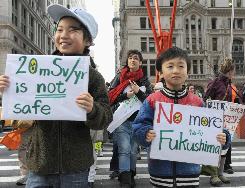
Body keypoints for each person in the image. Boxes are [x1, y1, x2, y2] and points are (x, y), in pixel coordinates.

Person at [0, 4, 113, 188]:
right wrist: (8, 90)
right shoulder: (36, 69)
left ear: (88, 41)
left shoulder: (93, 77)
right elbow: (21, 110)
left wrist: (93, 109)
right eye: (59, 29)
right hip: (39, 166)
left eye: (73, 30)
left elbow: (105, 118)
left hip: (76, 168)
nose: (64, 35)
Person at [132, 47, 231, 188]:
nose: (176, 70)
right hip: (160, 173)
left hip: (190, 174)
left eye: (181, 66)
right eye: (170, 66)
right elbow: (137, 127)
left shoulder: (197, 102)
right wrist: (145, 133)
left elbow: (213, 128)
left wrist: (223, 137)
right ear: (160, 72)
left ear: (187, 72)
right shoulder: (152, 100)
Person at [108, 49, 152, 187]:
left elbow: (149, 101)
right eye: (130, 58)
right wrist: (125, 96)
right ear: (127, 61)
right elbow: (110, 96)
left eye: (136, 58)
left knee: (133, 151)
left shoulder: (144, 80)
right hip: (122, 120)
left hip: (137, 122)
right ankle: (125, 179)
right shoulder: (119, 77)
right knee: (124, 149)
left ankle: (131, 174)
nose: (133, 60)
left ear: (140, 62)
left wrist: (138, 92)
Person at [202, 58, 236, 186]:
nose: (234, 74)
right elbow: (206, 99)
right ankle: (213, 174)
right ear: (229, 71)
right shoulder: (215, 82)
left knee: (225, 146)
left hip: (226, 119)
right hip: (214, 119)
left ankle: (221, 173)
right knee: (215, 146)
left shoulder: (228, 83)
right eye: (233, 71)